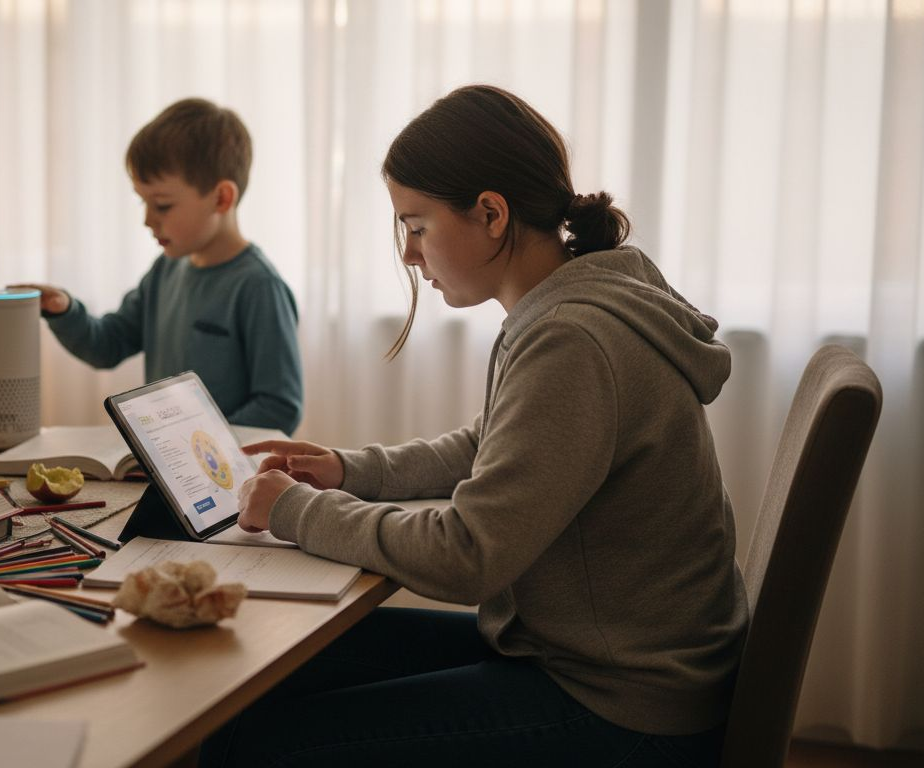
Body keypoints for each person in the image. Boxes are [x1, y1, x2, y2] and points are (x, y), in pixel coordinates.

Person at [209, 84, 749, 767]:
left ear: (491, 213)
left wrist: (299, 512)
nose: (409, 253)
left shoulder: (574, 339)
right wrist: (351, 471)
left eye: (416, 224)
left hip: (621, 708)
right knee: (271, 667)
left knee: (262, 742)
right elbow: (491, 444)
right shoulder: (586, 297)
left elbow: (468, 555)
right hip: (604, 664)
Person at [18, 98, 303, 434]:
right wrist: (64, 311)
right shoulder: (164, 272)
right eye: (143, 201)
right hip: (170, 468)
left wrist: (196, 444)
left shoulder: (258, 287)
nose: (147, 220)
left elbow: (279, 406)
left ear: (222, 198)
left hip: (226, 478)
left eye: (163, 205)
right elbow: (107, 345)